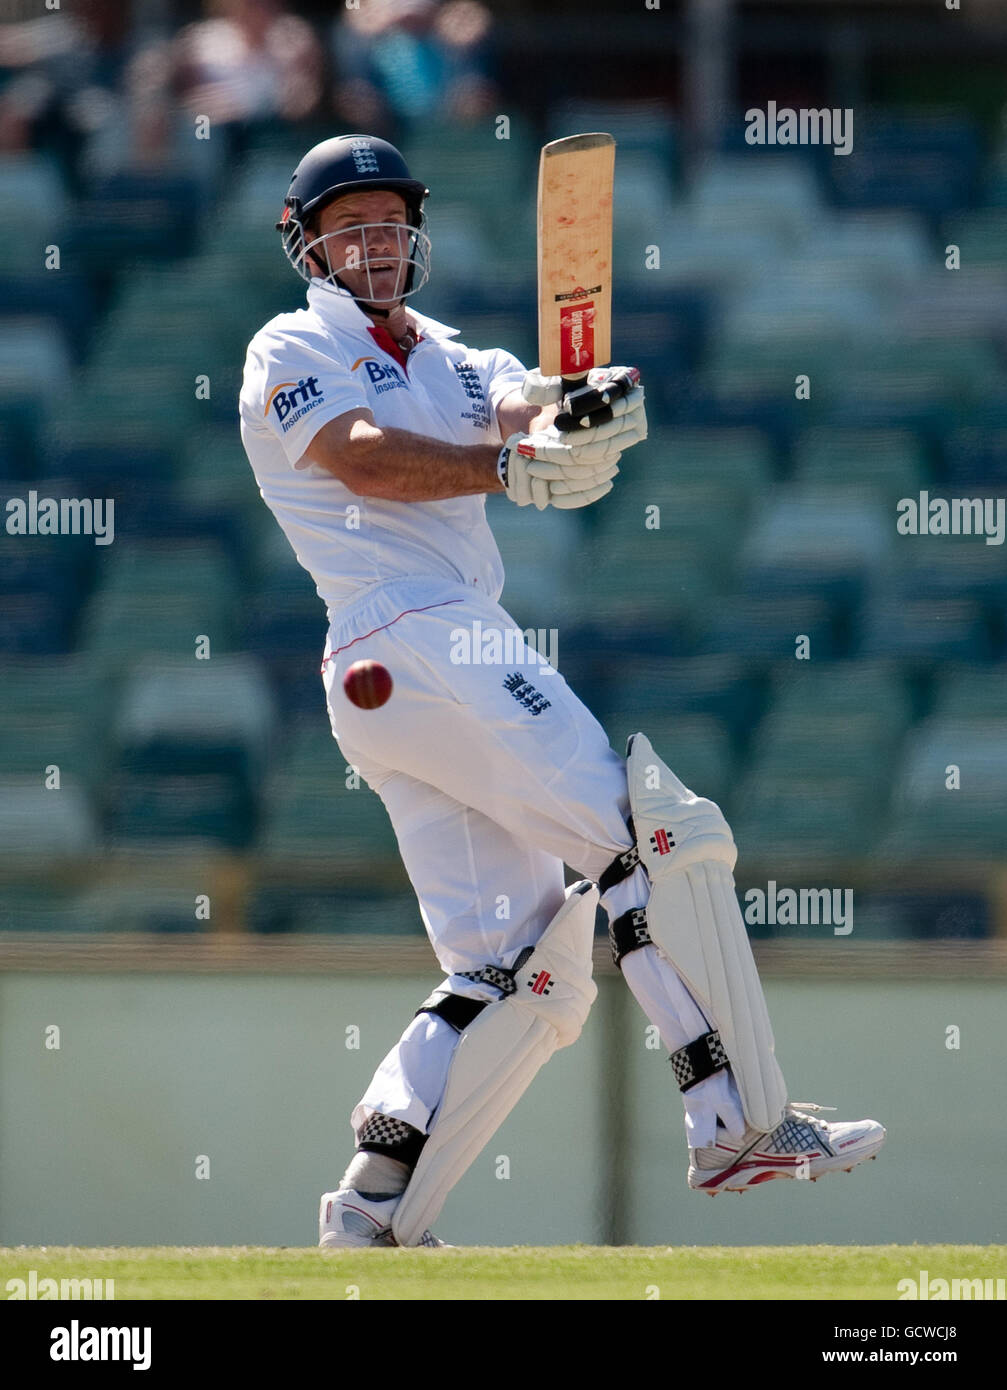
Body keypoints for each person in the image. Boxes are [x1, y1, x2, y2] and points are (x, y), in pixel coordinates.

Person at [238, 134, 885, 1249]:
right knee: (658, 837)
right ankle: (745, 1120)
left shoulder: (441, 350)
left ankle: (374, 1213)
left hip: (408, 676)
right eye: (350, 227)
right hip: (414, 634)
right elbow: (358, 456)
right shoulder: (291, 342)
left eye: (389, 223)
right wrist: (502, 467)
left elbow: (523, 402)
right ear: (307, 244)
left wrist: (576, 415)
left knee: (523, 971)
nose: (375, 245)